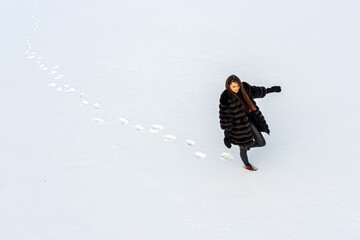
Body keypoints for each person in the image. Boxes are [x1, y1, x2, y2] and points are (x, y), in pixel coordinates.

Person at [219, 75, 281, 171]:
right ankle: (247, 165)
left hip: (250, 120)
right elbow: (225, 118)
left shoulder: (245, 88)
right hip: (238, 128)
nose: (236, 88)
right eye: (234, 87)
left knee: (261, 142)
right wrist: (226, 135)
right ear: (228, 86)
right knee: (243, 148)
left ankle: (248, 146)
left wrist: (271, 90)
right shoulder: (226, 98)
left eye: (238, 86)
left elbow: (257, 91)